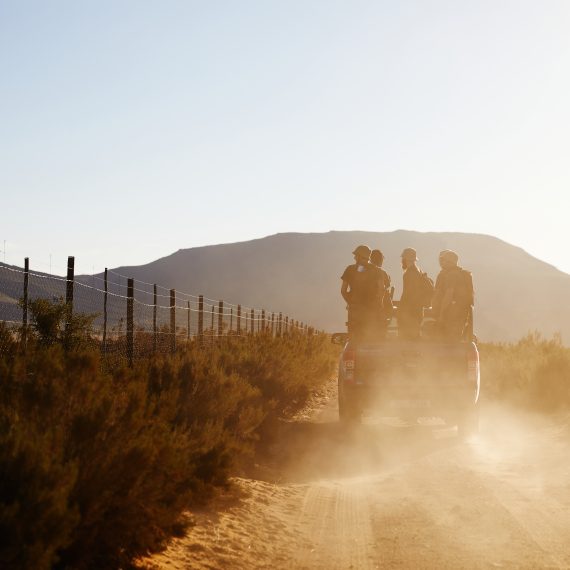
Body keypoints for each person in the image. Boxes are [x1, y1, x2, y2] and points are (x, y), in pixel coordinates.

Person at [432, 250, 474, 341]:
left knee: (447, 341)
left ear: (449, 261)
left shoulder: (451, 275)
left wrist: (441, 314)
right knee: (454, 340)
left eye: (444, 260)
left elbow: (449, 295)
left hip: (450, 316)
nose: (442, 262)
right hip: (461, 315)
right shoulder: (462, 274)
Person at [341, 245, 380, 341]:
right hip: (371, 311)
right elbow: (381, 289)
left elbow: (343, 290)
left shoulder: (350, 269)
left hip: (355, 311)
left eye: (356, 255)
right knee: (369, 339)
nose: (354, 258)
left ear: (360, 256)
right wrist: (377, 304)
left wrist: (350, 303)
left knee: (354, 340)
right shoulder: (376, 270)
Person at [397, 247, 427, 339]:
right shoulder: (418, 271)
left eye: (403, 258)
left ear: (406, 259)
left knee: (407, 339)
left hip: (409, 312)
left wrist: (401, 310)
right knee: (414, 338)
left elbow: (407, 293)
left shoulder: (409, 274)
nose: (402, 261)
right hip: (417, 311)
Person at [370, 248, 392, 338]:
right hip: (381, 306)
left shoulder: (363, 271)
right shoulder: (382, 273)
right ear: (380, 260)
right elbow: (386, 287)